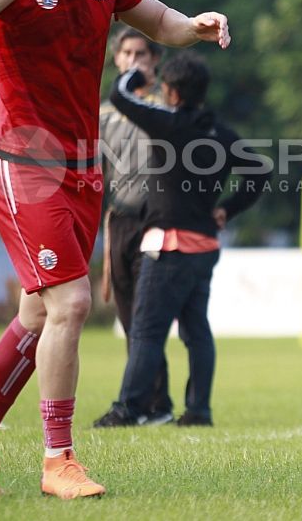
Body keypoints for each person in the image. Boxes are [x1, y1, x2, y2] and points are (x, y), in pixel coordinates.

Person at [0, 0, 231, 500]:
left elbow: (158, 21)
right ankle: (57, 461)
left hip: (81, 167)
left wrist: (196, 27)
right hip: (21, 163)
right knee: (72, 303)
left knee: (38, 316)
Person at [93, 52, 267, 428]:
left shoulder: (168, 123)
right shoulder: (220, 133)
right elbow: (260, 171)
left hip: (168, 246)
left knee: (146, 331)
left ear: (171, 93)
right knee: (196, 332)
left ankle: (129, 408)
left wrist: (135, 75)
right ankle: (198, 410)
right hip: (204, 247)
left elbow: (121, 97)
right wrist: (228, 209)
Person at [96, 27, 174, 426]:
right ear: (116, 59)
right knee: (129, 316)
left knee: (147, 316)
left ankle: (152, 404)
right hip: (120, 220)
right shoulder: (104, 114)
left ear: (154, 61)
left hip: (157, 221)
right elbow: (98, 173)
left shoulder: (166, 106)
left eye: (142, 54)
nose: (134, 61)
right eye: (127, 53)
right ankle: (148, 403)